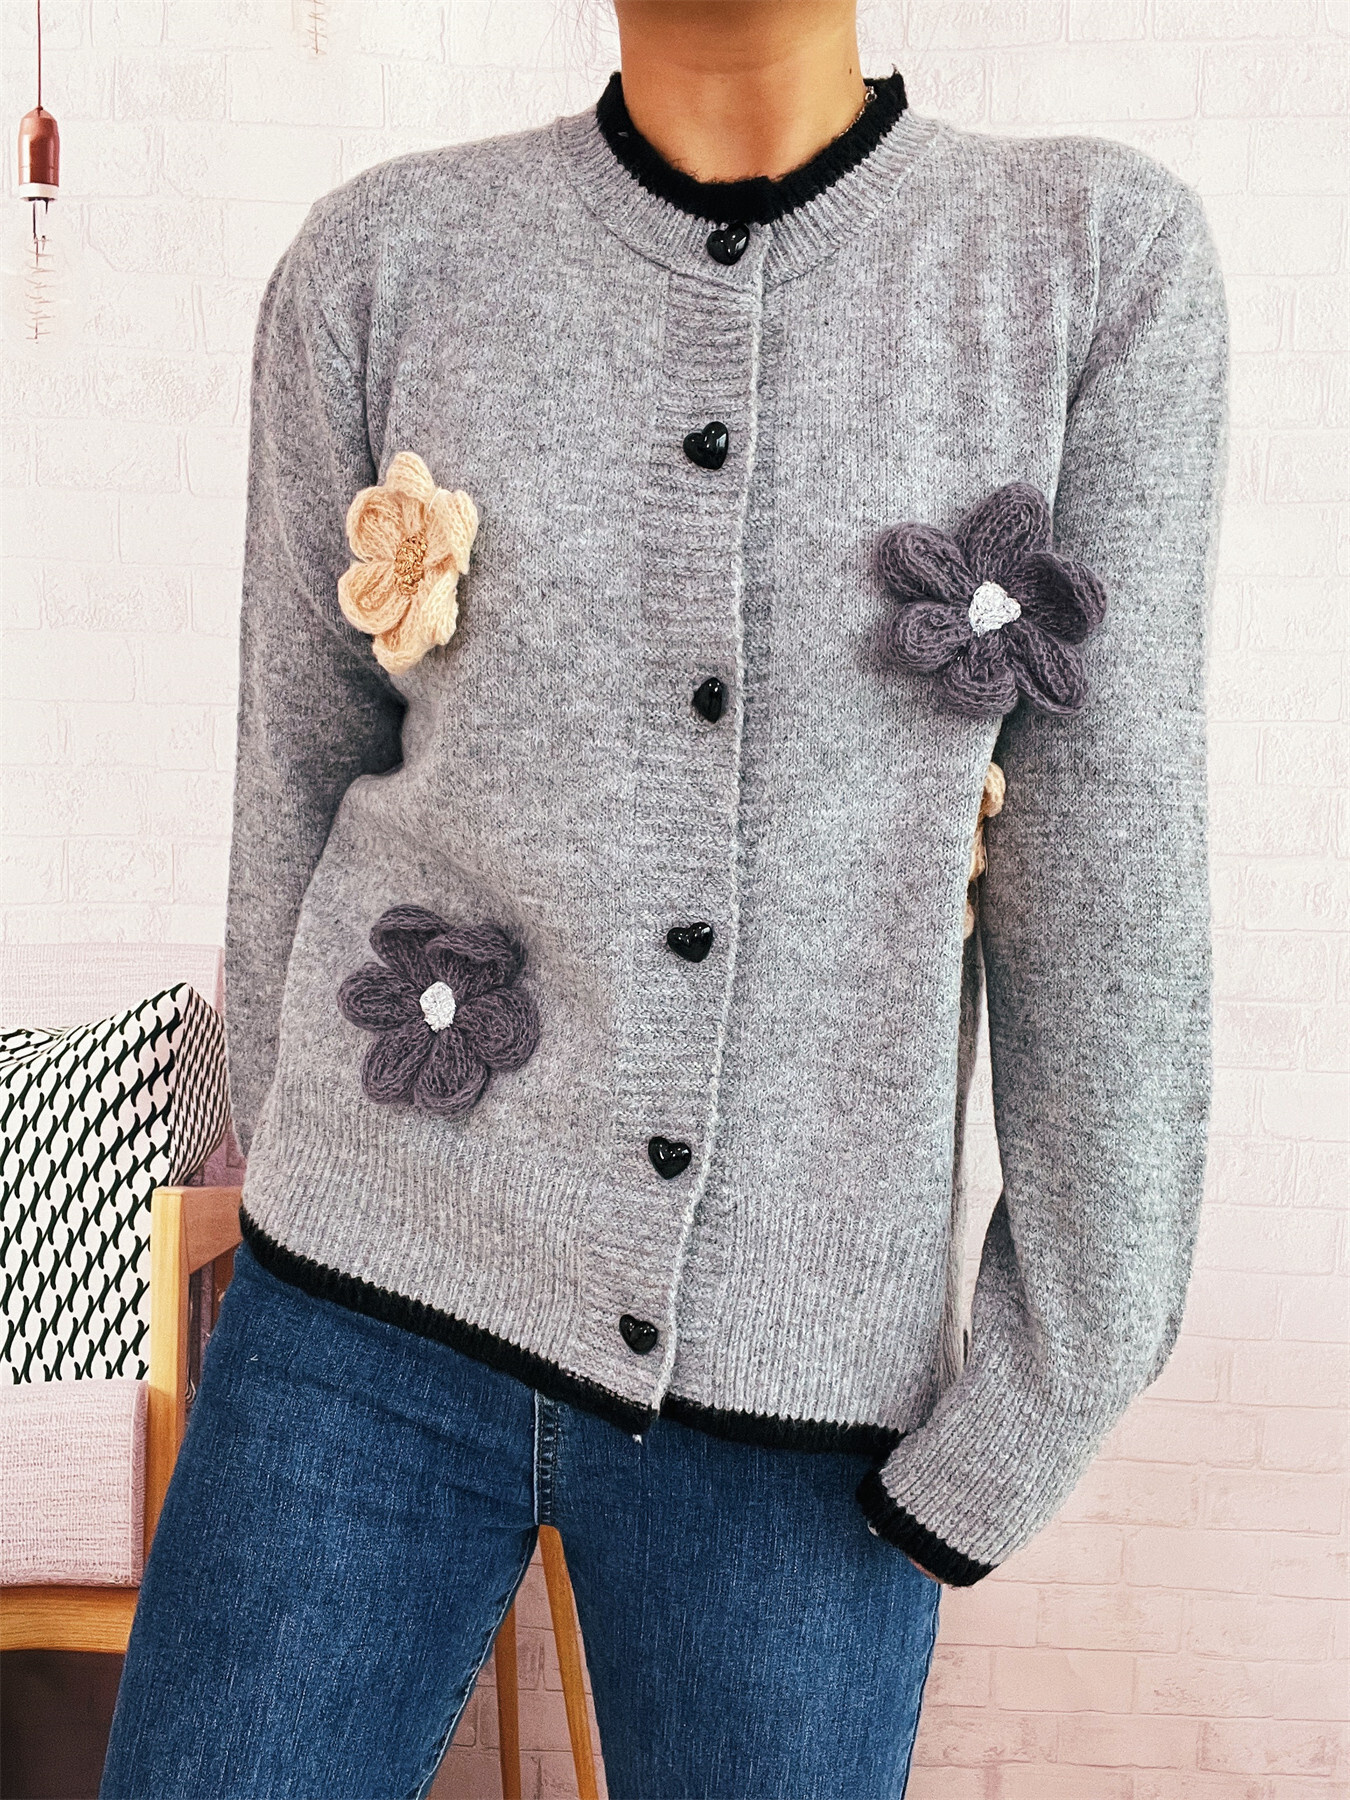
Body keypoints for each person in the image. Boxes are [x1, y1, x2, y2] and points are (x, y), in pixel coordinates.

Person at [100, 2, 1228, 1795]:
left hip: (804, 1400)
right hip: (355, 1323)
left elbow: (1107, 882)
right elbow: (291, 783)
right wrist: (287, 1173)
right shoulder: (381, 262)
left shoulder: (1085, 264)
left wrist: (1034, 1402)